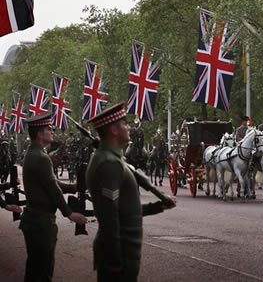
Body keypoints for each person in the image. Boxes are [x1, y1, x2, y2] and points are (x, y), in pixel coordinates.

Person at [86, 102, 176, 282]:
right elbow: (110, 216)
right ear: (113, 130)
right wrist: (115, 260)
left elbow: (125, 211)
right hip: (120, 252)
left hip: (125, 249)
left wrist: (157, 207)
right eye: (124, 123)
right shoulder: (109, 164)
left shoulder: (113, 159)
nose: (128, 127)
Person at [19, 112, 88, 282]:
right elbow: (52, 188)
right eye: (49, 129)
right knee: (42, 272)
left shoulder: (34, 153)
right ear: (40, 133)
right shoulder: (41, 158)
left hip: (34, 220)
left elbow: (51, 182)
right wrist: (69, 213)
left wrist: (74, 187)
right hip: (41, 223)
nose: (52, 131)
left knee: (34, 270)